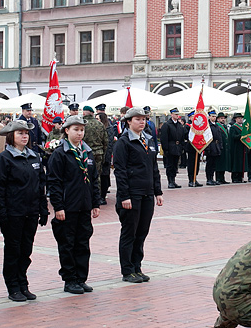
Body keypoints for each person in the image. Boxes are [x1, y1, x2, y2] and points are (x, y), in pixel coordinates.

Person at [0, 120, 48, 302]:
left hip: (30, 212)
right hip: (13, 213)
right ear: (11, 136)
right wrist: (1, 213)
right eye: (20, 133)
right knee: (13, 251)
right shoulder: (4, 159)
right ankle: (13, 286)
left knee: (26, 250)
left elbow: (40, 186)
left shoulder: (34, 157)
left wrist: (43, 208)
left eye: (26, 133)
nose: (24, 136)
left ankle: (23, 283)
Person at [47, 115, 101, 294]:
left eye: (82, 130)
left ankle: (81, 277)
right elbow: (54, 182)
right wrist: (58, 206)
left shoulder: (87, 152)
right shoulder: (60, 153)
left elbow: (93, 179)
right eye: (76, 130)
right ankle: (70, 279)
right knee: (67, 244)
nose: (79, 133)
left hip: (84, 205)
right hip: (68, 206)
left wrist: (95, 203)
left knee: (83, 243)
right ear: (66, 131)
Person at [113, 107, 163, 283]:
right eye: (137, 119)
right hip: (131, 195)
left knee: (142, 232)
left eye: (144, 119)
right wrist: (124, 196)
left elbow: (153, 168)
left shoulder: (148, 140)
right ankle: (127, 270)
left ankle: (137, 267)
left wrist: (158, 191)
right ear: (128, 121)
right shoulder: (123, 142)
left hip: (147, 193)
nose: (142, 122)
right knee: (130, 233)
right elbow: (120, 171)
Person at [159, 108, 186, 189]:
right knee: (170, 165)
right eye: (175, 114)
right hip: (170, 147)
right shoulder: (167, 125)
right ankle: (170, 181)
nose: (177, 116)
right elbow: (164, 138)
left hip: (177, 148)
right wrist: (166, 149)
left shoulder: (179, 125)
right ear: (171, 115)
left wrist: (182, 147)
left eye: (178, 114)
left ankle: (173, 180)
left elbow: (182, 137)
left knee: (175, 166)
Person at [204, 110, 224, 186]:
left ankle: (212, 178)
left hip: (216, 146)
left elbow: (219, 137)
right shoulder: (208, 126)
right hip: (210, 146)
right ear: (209, 117)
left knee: (214, 165)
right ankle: (208, 179)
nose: (214, 118)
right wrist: (207, 148)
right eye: (212, 116)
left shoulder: (216, 125)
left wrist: (220, 146)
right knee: (209, 164)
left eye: (215, 116)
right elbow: (206, 137)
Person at [229, 113, 248, 183]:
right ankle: (235, 177)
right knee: (236, 163)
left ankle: (241, 177)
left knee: (242, 163)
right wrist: (241, 135)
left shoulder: (243, 127)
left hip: (242, 147)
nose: (240, 119)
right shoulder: (233, 127)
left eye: (241, 118)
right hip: (236, 148)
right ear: (235, 119)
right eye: (239, 118)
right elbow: (233, 137)